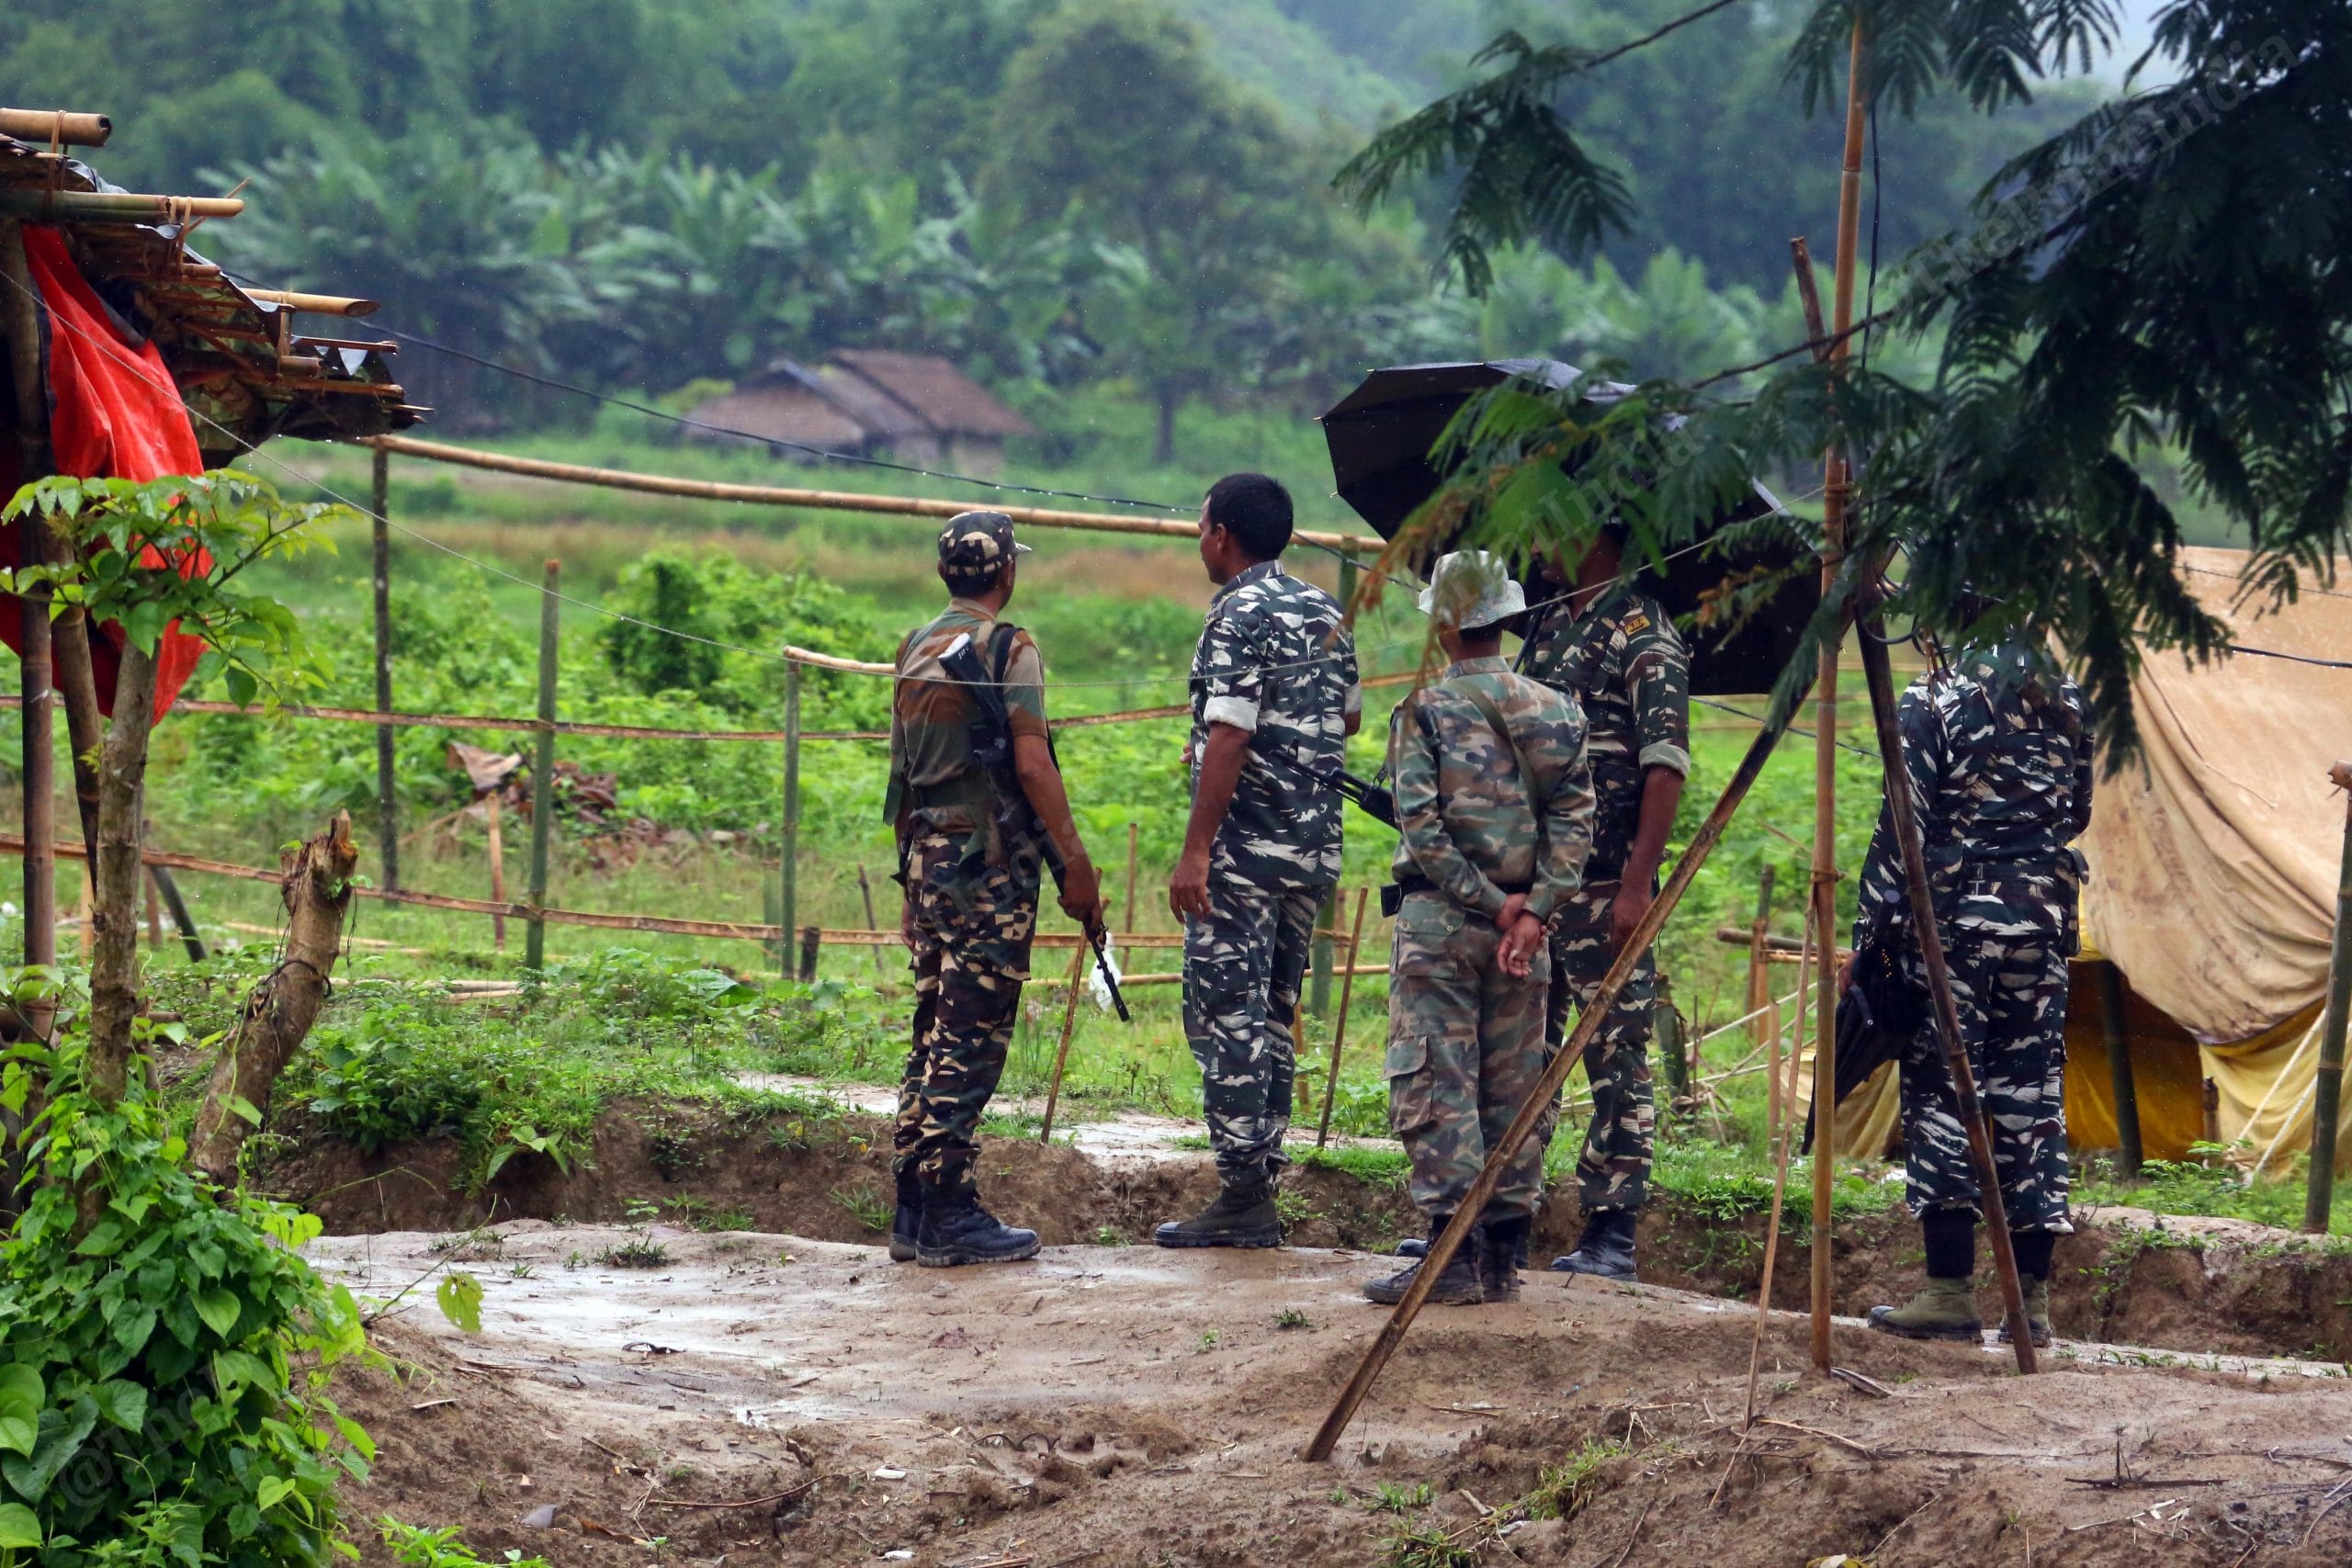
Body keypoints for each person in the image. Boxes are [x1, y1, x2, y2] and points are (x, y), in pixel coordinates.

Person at [1363, 553, 1594, 1307]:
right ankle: (1499, 1259)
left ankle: (1449, 1257)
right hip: (1526, 936)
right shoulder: (1559, 712)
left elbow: (1423, 828)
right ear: (1506, 617)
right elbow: (1575, 827)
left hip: (1441, 923)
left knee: (1438, 1079)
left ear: (1443, 621)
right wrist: (1532, 910)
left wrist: (1490, 903)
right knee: (1514, 1086)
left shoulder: (1424, 711)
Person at [884, 511, 1107, 1268]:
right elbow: (1033, 763)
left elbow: (902, 777)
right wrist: (1076, 861)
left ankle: (912, 1204)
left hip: (927, 857)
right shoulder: (1010, 647)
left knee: (932, 1027)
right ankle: (948, 1206)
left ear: (944, 572)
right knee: (971, 1034)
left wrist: (910, 881)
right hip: (988, 866)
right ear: (1007, 572)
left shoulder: (914, 645)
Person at [1857, 637, 2093, 1348]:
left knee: (1942, 1094)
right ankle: (2033, 1305)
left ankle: (1949, 1291)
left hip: (1954, 931)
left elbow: (1902, 828)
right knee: (2032, 1101)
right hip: (2042, 925)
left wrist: (1871, 940)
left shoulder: (1934, 697)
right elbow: (2077, 810)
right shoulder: (2069, 697)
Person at [1157, 473, 1360, 1247]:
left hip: (1244, 854)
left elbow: (1234, 731)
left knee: (1224, 1012)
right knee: (1273, 1011)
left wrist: (1196, 851)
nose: (1198, 540)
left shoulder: (1235, 613)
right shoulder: (1325, 609)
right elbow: (1347, 717)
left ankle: (1243, 1192)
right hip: (1309, 849)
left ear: (1222, 535)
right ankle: (1260, 1179)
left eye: (1200, 526)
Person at [1518, 522, 1690, 1281]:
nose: (1534, 544)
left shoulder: (1643, 632)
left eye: (1547, 526)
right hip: (1538, 882)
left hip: (1604, 881)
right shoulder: (1547, 624)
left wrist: (1635, 884)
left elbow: (1665, 765)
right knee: (1521, 1047)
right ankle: (1500, 1214)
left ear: (1589, 530)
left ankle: (1611, 1230)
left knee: (1615, 1049)